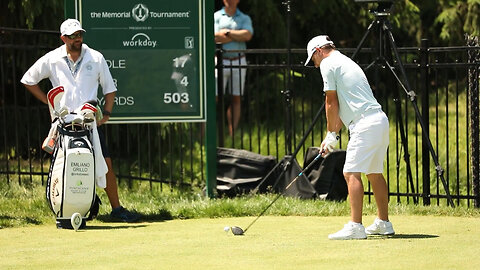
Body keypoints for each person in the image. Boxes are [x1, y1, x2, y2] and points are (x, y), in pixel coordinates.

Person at [21, 18, 139, 223]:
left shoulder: (96, 57)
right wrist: (49, 103)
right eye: (73, 36)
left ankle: (117, 208)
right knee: (66, 165)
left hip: (89, 121)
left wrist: (107, 114)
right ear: (63, 38)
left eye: (80, 34)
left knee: (105, 163)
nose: (78, 39)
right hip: (64, 122)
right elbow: (28, 80)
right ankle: (68, 207)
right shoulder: (52, 58)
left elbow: (110, 89)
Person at [304, 35, 394, 240]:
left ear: (318, 51)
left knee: (350, 172)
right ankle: (383, 222)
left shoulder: (328, 63)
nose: (316, 66)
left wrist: (330, 133)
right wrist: (333, 136)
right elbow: (346, 103)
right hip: (379, 120)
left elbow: (331, 102)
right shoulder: (345, 61)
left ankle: (356, 226)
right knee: (374, 173)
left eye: (314, 60)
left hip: (365, 124)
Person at [214, 0, 253, 136]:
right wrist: (237, 35)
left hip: (239, 60)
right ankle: (207, 133)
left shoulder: (244, 17)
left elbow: (248, 35)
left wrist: (227, 33)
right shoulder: (216, 16)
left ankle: (232, 133)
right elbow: (213, 37)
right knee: (214, 98)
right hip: (220, 61)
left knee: (236, 98)